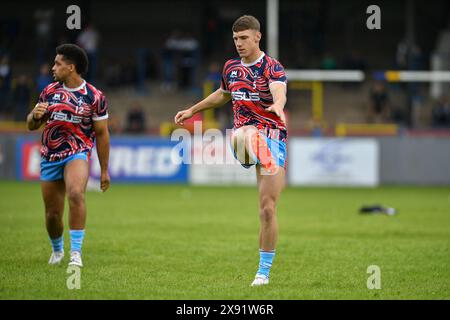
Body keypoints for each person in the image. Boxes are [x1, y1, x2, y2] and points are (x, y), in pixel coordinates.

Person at [174, 15, 288, 286]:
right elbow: (223, 94)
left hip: (273, 139)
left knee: (268, 209)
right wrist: (192, 109)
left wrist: (279, 104)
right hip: (244, 138)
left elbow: (278, 89)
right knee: (245, 132)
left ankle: (263, 273)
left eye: (244, 38)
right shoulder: (231, 68)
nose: (239, 43)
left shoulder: (272, 67)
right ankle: (256, 153)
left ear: (257, 37)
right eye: (236, 39)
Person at [26, 44, 110, 267]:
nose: (53, 68)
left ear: (71, 67)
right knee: (53, 215)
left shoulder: (95, 96)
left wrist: (104, 170)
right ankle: (57, 249)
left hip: (78, 152)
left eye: (57, 63)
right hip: (50, 156)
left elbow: (101, 134)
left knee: (75, 194)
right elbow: (31, 125)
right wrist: (35, 116)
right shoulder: (49, 91)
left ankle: (76, 253)